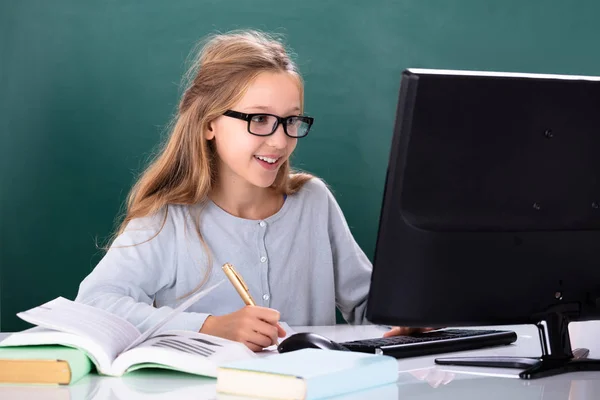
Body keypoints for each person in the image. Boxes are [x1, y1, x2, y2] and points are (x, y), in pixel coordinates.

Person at [75, 30, 426, 352]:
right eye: (258, 119)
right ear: (209, 122)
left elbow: (372, 307)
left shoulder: (313, 201)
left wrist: (407, 319)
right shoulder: (170, 218)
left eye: (292, 120)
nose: (279, 140)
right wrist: (211, 326)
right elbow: (95, 304)